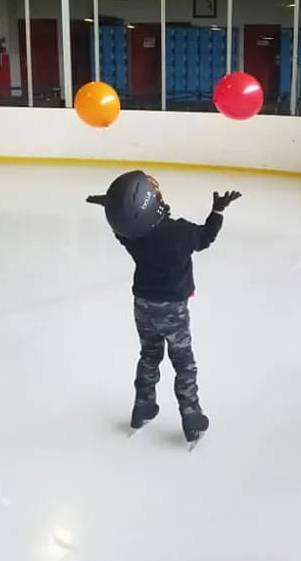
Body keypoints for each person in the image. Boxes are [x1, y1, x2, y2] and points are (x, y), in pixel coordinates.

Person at [86, 171, 241, 446]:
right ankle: (191, 415)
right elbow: (205, 237)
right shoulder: (179, 232)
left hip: (143, 307)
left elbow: (122, 232)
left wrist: (112, 208)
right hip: (173, 310)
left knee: (149, 354)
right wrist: (217, 211)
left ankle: (143, 406)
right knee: (184, 362)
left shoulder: (134, 237)